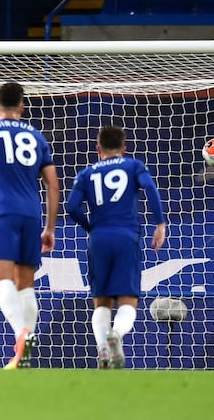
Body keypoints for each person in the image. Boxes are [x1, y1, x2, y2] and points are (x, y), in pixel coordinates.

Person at [0, 81, 59, 369]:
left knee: (2, 279)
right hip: (31, 214)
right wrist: (50, 227)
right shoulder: (37, 136)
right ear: (21, 105)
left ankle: (22, 333)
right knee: (26, 284)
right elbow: (53, 187)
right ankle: (24, 355)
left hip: (2, 212)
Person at [64, 125, 166, 370]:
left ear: (98, 148)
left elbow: (71, 207)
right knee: (128, 302)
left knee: (101, 303)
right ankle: (116, 335)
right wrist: (160, 223)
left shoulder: (86, 173)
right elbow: (150, 188)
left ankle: (102, 351)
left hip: (98, 239)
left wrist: (91, 228)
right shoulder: (133, 166)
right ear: (124, 147)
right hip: (126, 237)